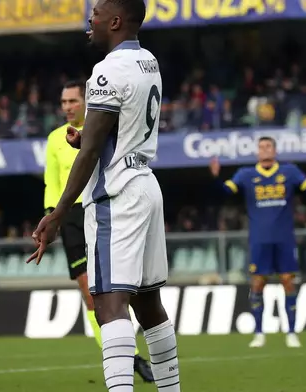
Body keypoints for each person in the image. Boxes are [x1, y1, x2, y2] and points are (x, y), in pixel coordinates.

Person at [29, 1, 180, 391]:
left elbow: (93, 151)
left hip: (116, 194)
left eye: (94, 15)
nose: (89, 23)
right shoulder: (149, 61)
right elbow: (116, 129)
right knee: (149, 304)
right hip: (146, 182)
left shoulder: (106, 70)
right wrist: (92, 140)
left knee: (110, 306)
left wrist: (59, 213)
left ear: (114, 21)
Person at [43, 80, 153, 382]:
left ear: (85, 102)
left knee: (116, 291)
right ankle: (126, 357)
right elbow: (51, 181)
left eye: (73, 101)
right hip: (69, 218)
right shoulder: (54, 139)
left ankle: (126, 347)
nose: (67, 107)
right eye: (64, 102)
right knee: (90, 297)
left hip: (101, 209)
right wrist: (50, 217)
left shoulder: (100, 127)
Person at [210, 137, 306, 348]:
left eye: (268, 146)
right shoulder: (246, 174)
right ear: (257, 152)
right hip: (259, 240)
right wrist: (214, 178)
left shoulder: (289, 171)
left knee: (288, 282)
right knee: (257, 284)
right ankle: (259, 333)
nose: (264, 150)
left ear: (275, 151)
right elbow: (226, 191)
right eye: (261, 147)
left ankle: (292, 332)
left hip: (284, 238)